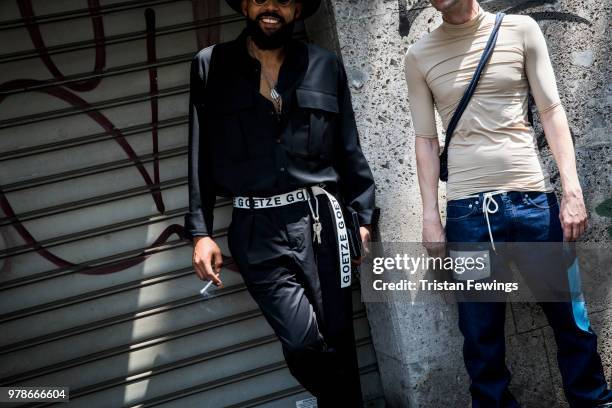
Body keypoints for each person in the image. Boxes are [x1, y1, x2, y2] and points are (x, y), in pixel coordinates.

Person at [404, 0, 612, 407]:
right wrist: (431, 216)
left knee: (571, 318)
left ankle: (592, 400)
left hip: (533, 204)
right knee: (480, 335)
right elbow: (426, 140)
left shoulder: (521, 29)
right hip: (467, 216)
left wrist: (571, 190)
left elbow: (551, 111)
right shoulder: (419, 55)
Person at [185, 0, 379, 405]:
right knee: (303, 340)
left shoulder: (324, 64)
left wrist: (362, 217)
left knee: (340, 340)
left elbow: (348, 146)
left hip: (323, 220)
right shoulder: (211, 65)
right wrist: (201, 231)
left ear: (297, 9)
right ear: (244, 4)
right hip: (256, 229)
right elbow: (199, 153)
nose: (271, 7)